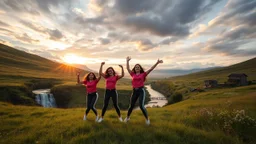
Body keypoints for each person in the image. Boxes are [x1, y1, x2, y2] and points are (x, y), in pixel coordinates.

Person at [124, 56, 163, 125]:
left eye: (138, 67)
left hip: (141, 91)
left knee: (141, 106)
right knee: (131, 106)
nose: (137, 68)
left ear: (140, 68)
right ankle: (127, 117)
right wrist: (127, 61)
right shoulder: (132, 74)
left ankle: (147, 119)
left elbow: (151, 69)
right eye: (136, 67)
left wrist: (157, 63)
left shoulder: (143, 74)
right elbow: (127, 68)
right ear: (135, 69)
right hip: (134, 91)